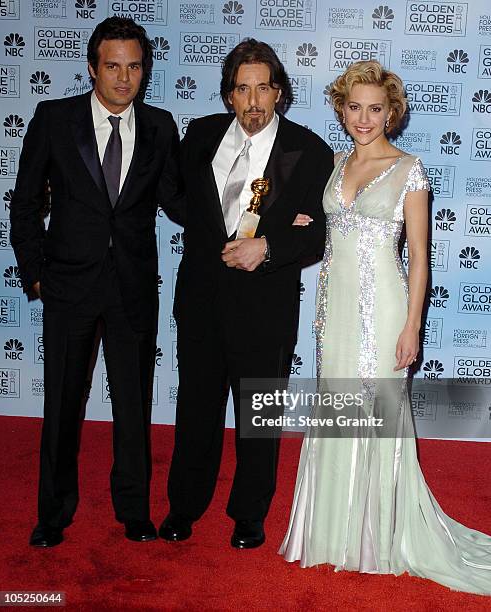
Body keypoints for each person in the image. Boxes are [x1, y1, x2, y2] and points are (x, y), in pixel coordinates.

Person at [279, 60, 491, 594]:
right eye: (354, 107)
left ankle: (379, 535)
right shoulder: (332, 165)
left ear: (392, 113)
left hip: (385, 310)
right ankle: (332, 534)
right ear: (341, 109)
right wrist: (302, 220)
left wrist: (413, 326)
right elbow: (319, 223)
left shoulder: (409, 169)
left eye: (376, 108)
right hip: (336, 311)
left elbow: (419, 258)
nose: (364, 118)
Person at [10, 17, 182, 547]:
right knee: (63, 404)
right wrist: (35, 274)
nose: (124, 78)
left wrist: (248, 211)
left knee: (133, 405)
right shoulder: (53, 118)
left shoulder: (159, 125)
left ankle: (134, 512)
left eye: (134, 67)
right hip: (68, 285)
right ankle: (52, 515)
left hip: (132, 287)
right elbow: (25, 202)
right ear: (92, 68)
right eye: (113, 66)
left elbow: (178, 202)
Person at [158, 39, 334, 549]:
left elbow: (322, 231)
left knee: (258, 414)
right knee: (195, 407)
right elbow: (174, 193)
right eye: (242, 89)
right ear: (228, 95)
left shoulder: (309, 150)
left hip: (265, 304)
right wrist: (213, 238)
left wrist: (270, 246)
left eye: (263, 87)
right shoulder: (201, 134)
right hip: (202, 298)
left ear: (279, 92)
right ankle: (183, 506)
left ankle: (249, 514)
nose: (253, 100)